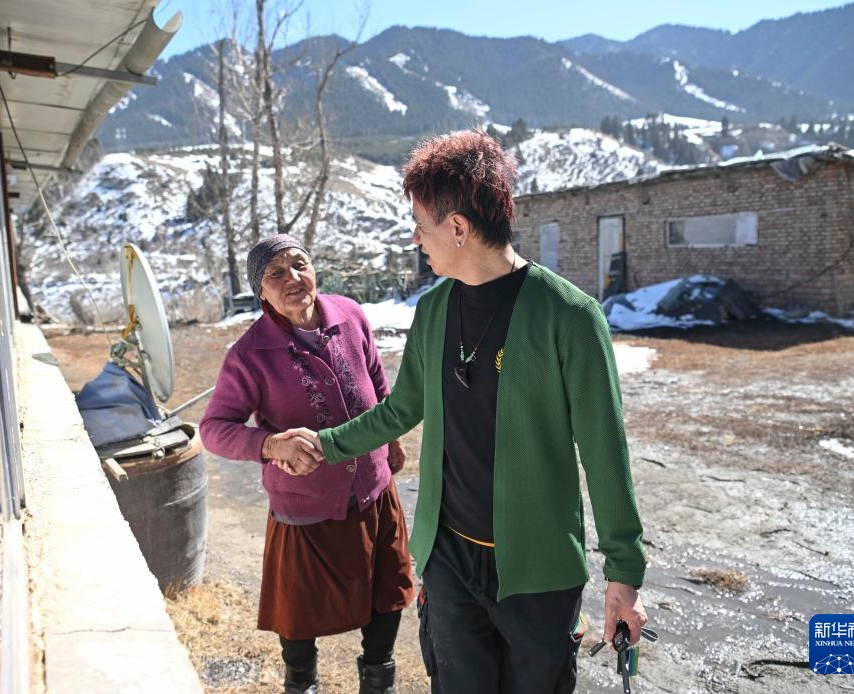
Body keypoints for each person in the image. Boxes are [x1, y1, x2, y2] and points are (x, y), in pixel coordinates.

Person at [286, 129, 648, 693]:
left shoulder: (570, 317)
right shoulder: (434, 310)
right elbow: (401, 408)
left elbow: (605, 452)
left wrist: (624, 573)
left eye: (421, 225)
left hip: (539, 573)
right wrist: (325, 443)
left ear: (458, 228)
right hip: (450, 563)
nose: (415, 238)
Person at [199, 234, 415, 694]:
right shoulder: (250, 354)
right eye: (275, 274)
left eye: (300, 264)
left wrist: (391, 439)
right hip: (306, 506)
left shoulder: (350, 315)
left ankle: (378, 680)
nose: (292, 278)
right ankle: (302, 684)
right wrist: (270, 445)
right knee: (298, 617)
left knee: (388, 595)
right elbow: (214, 428)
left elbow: (376, 377)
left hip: (374, 489)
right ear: (261, 292)